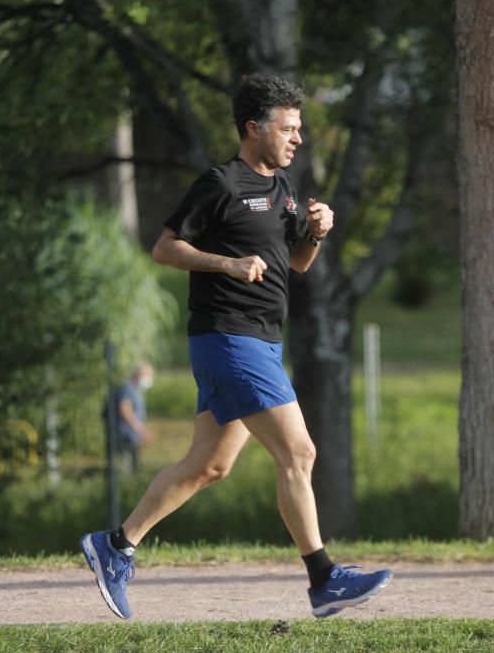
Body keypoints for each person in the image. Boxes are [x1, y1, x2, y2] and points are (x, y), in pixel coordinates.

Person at [80, 74, 392, 620]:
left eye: (299, 129)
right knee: (300, 453)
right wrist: (226, 263)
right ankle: (324, 579)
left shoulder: (284, 189)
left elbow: (297, 262)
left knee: (209, 465)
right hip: (228, 337)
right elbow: (164, 247)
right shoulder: (221, 184)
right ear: (254, 128)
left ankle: (116, 545)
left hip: (261, 342)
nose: (297, 139)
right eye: (288, 128)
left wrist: (316, 232)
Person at [115, 364, 155, 472]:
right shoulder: (127, 389)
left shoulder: (136, 390)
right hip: (126, 435)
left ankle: (132, 484)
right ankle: (128, 486)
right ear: (139, 375)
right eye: (149, 375)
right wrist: (141, 430)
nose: (150, 379)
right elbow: (124, 410)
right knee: (127, 468)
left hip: (133, 435)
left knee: (134, 466)